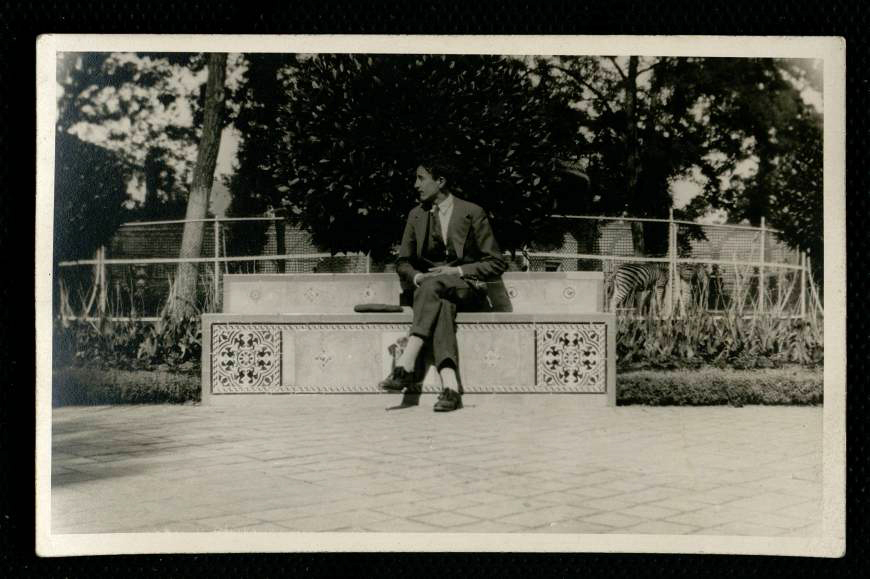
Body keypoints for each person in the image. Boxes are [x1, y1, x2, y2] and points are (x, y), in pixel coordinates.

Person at [378, 158, 506, 411]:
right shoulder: (416, 215)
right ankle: (450, 388)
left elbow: (496, 262)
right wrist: (417, 277)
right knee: (442, 304)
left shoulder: (472, 212)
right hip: (433, 293)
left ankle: (405, 364)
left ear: (440, 181)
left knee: (436, 287)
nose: (416, 185)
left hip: (467, 287)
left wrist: (456, 270)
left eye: (421, 178)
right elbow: (403, 262)